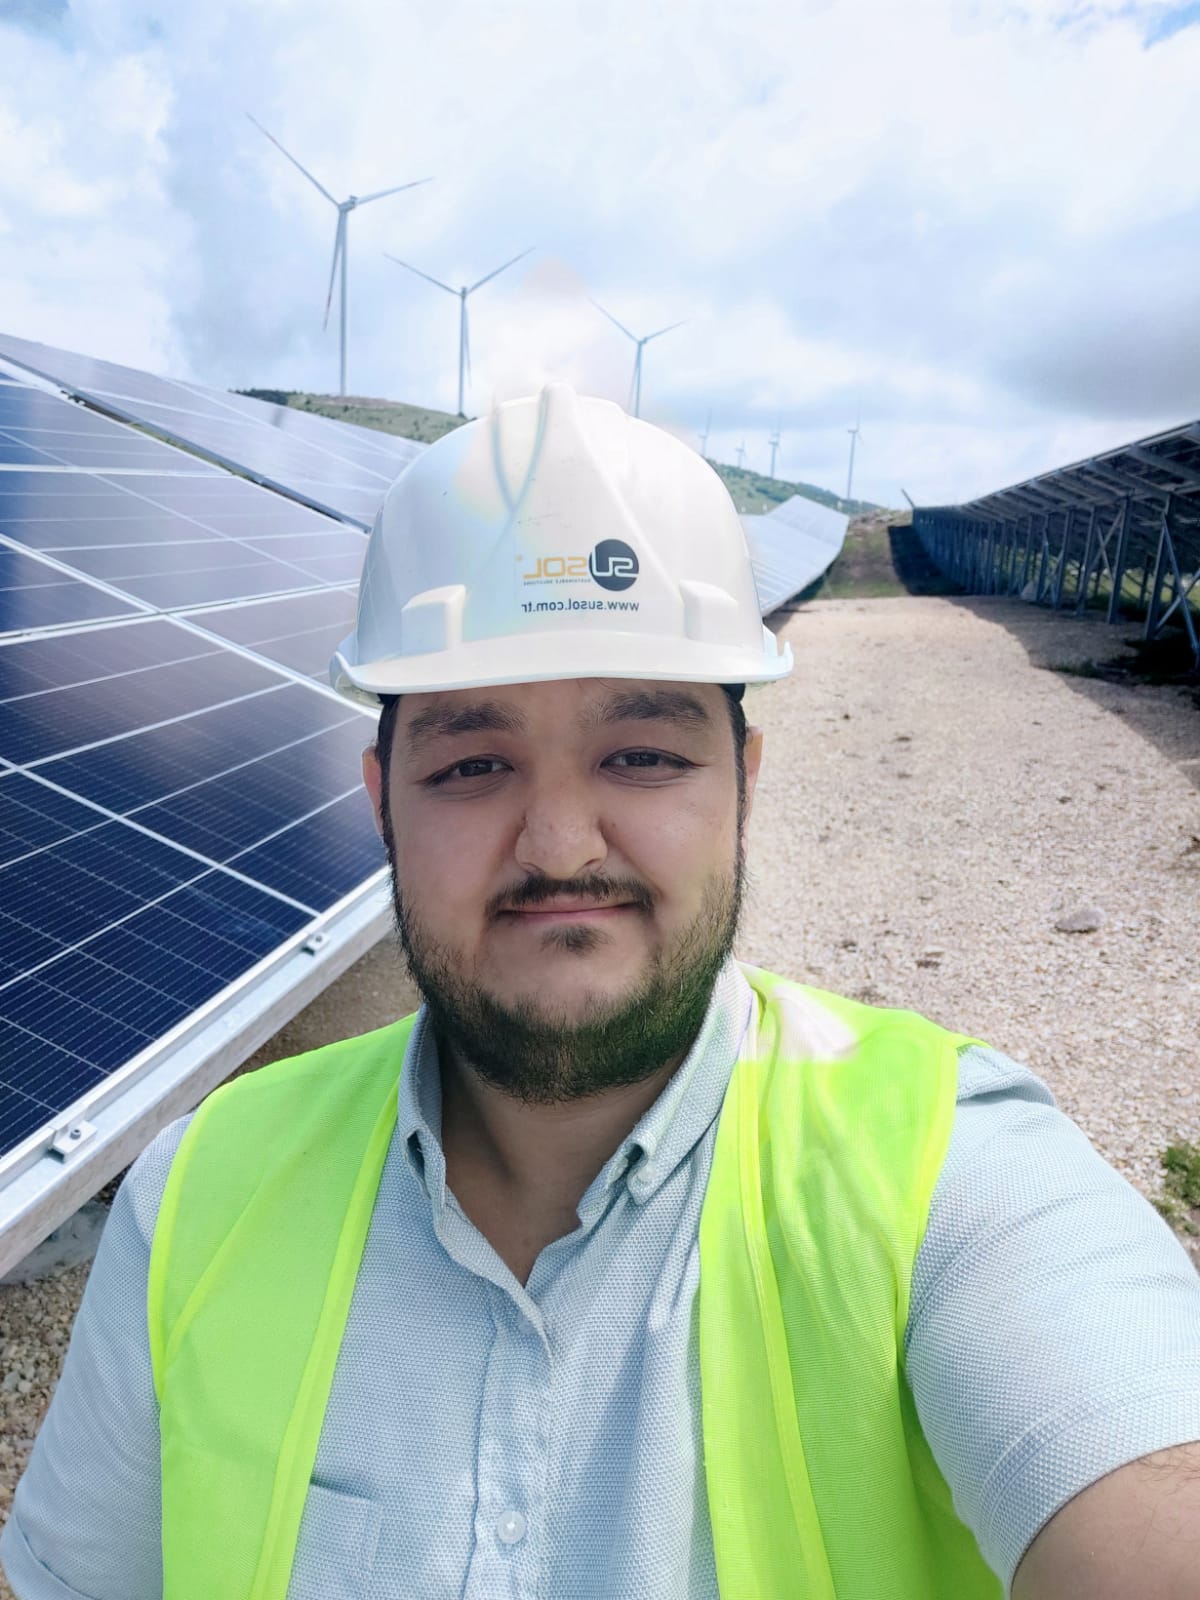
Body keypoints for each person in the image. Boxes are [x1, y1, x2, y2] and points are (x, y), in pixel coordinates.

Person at [3, 385, 1199, 1600]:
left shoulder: (950, 1174)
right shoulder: (194, 1199)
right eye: (473, 764)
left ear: (745, 786)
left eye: (643, 755)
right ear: (379, 804)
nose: (562, 844)